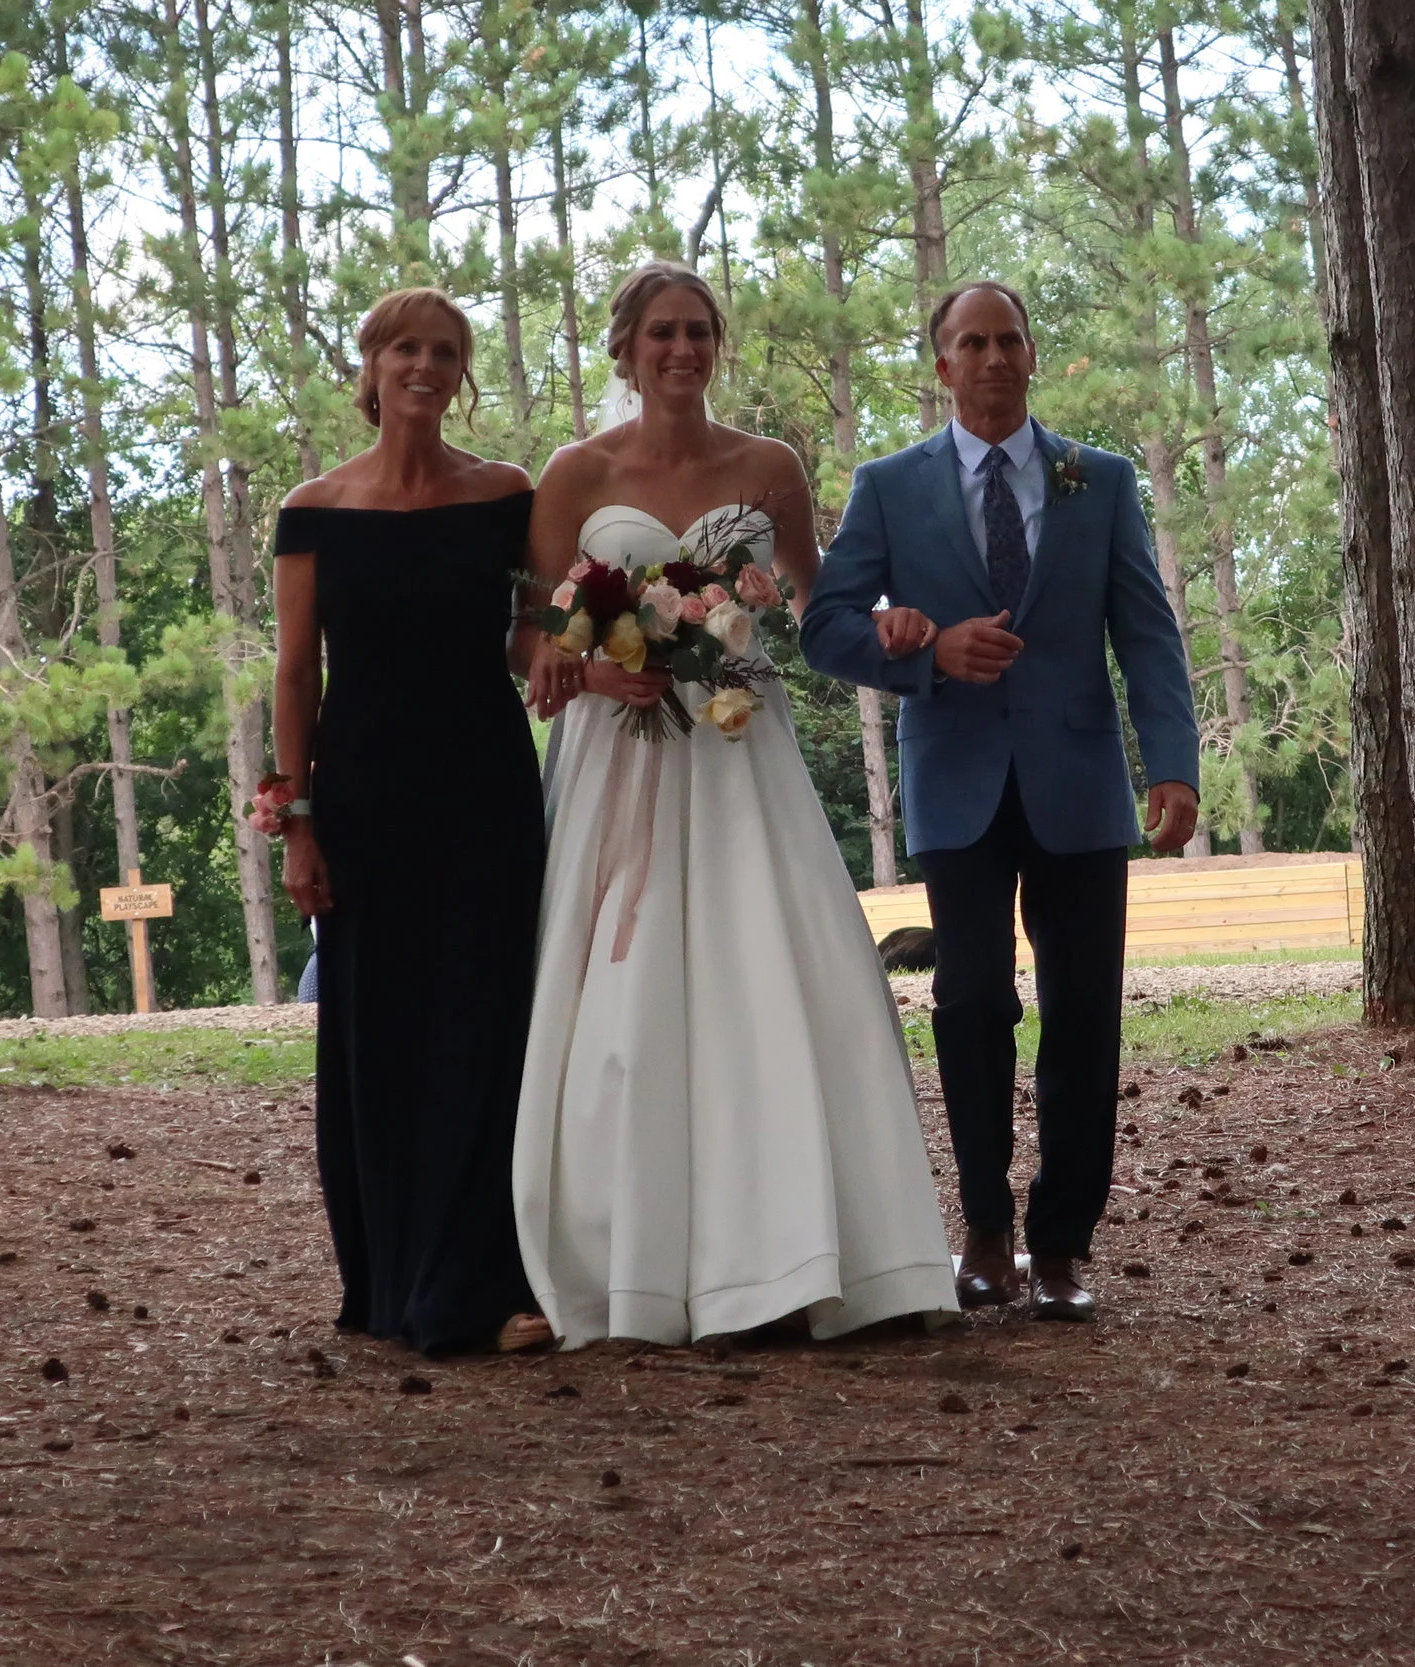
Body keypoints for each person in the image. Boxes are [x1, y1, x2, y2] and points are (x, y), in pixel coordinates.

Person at [513, 261, 958, 1348]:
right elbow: (528, 631)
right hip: (615, 759)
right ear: (623, 348)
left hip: (737, 750)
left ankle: (803, 1246)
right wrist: (588, 662)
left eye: (699, 330)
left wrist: (899, 625)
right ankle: (633, 1264)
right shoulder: (574, 473)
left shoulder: (769, 466)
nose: (682, 350)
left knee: (775, 980)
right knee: (622, 998)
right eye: (661, 331)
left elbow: (821, 604)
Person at [801, 280, 1200, 1322]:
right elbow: (827, 627)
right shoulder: (888, 486)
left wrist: (1173, 761)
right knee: (971, 1004)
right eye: (969, 342)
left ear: (1033, 355)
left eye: (1007, 339)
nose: (990, 357)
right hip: (957, 785)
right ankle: (982, 1226)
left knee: (1083, 1018)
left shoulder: (1097, 479)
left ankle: (1062, 1241)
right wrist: (925, 648)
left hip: (1078, 789)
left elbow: (1146, 631)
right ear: (940, 365)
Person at [270, 287, 552, 1355]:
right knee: (379, 1028)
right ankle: (391, 1278)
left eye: (443, 351)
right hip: (365, 798)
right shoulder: (313, 509)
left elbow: (530, 635)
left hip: (484, 788)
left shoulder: (504, 495)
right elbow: (296, 676)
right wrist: (298, 820)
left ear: (461, 371)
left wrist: (581, 658)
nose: (423, 366)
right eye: (404, 348)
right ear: (371, 365)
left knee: (489, 1025)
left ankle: (487, 1282)